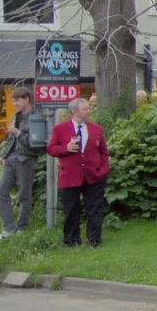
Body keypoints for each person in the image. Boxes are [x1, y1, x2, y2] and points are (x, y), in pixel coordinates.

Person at [48, 98, 108, 246]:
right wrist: (66, 148)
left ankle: (94, 240)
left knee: (94, 209)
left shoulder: (96, 128)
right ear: (75, 112)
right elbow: (51, 149)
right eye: (85, 109)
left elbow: (103, 152)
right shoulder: (60, 129)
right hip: (70, 176)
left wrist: (103, 170)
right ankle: (71, 240)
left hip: (93, 175)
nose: (89, 111)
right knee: (71, 210)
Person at [0, 88, 42, 239]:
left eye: (17, 100)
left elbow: (38, 145)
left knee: (24, 194)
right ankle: (8, 229)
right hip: (10, 158)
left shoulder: (36, 117)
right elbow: (12, 139)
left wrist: (18, 133)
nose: (14, 104)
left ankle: (22, 227)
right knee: (1, 191)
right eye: (13, 100)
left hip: (26, 159)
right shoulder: (15, 116)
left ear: (27, 99)